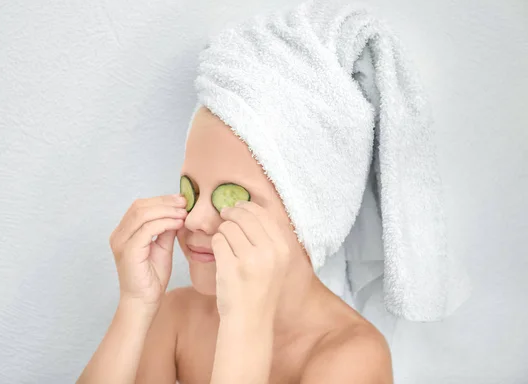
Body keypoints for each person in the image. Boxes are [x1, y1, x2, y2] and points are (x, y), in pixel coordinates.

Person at [76, 106, 393, 384]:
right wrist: (135, 303)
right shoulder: (176, 316)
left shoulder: (354, 357)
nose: (194, 219)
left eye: (231, 198)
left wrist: (245, 323)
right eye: (192, 191)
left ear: (309, 218)